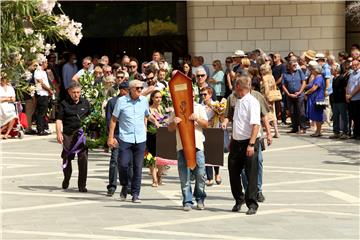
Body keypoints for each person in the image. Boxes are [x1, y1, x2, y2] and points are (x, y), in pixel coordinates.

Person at [107, 80, 159, 203]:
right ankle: (125, 185)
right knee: (123, 164)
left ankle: (135, 194)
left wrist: (155, 121)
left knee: (138, 167)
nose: (140, 90)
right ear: (130, 89)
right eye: (137, 88)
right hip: (125, 138)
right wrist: (110, 137)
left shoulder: (144, 101)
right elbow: (114, 120)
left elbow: (147, 115)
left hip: (140, 139)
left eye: (141, 88)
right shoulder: (121, 101)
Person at [221, 75, 261, 215]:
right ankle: (239, 198)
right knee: (233, 172)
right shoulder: (238, 100)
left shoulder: (252, 102)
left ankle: (252, 203)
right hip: (236, 142)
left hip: (248, 142)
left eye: (236, 87)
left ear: (241, 88)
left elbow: (256, 125)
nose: (235, 90)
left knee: (251, 174)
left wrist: (251, 144)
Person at [168, 91, 208, 211]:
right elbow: (170, 128)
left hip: (197, 146)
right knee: (184, 175)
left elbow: (206, 124)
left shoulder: (199, 107)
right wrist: (174, 123)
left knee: (200, 174)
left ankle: (200, 197)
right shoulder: (177, 108)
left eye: (192, 95)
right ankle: (187, 200)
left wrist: (198, 119)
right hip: (181, 146)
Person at [55, 81, 90, 192]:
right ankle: (66, 178)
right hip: (68, 134)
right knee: (67, 158)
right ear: (69, 92)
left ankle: (82, 185)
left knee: (83, 159)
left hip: (82, 135)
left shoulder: (85, 103)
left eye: (78, 92)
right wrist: (59, 133)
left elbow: (91, 118)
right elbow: (59, 120)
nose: (76, 95)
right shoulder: (64, 104)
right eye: (74, 92)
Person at [105, 82, 129, 196]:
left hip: (129, 136)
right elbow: (109, 120)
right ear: (122, 90)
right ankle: (112, 186)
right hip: (117, 135)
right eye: (128, 90)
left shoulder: (132, 101)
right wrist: (111, 137)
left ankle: (127, 185)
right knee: (114, 161)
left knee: (129, 162)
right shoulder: (112, 102)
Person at [200, 87, 222, 186]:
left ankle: (217, 173)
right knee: (206, 154)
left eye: (205, 94)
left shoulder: (216, 104)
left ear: (210, 94)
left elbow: (221, 114)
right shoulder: (200, 106)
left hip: (215, 131)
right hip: (204, 131)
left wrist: (211, 106)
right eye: (202, 94)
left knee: (215, 154)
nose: (203, 96)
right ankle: (209, 177)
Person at [146, 90, 168, 187]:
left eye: (160, 97)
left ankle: (159, 175)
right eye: (156, 97)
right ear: (152, 98)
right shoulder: (148, 109)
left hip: (162, 135)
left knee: (162, 158)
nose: (159, 99)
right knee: (152, 158)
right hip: (151, 135)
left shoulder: (162, 108)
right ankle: (154, 179)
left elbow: (166, 120)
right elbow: (146, 121)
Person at [282, 60, 307, 134]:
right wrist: (288, 94)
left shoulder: (299, 72)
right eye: (293, 65)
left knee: (301, 111)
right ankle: (295, 127)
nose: (295, 66)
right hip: (290, 95)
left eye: (296, 65)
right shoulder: (285, 74)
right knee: (292, 112)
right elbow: (283, 85)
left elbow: (304, 82)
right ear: (289, 66)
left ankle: (303, 127)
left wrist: (299, 92)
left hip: (299, 95)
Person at [304, 63, 325, 137]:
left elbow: (314, 88)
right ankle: (317, 131)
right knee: (315, 115)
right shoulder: (316, 77)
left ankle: (318, 131)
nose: (311, 71)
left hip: (318, 99)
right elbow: (309, 85)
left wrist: (306, 93)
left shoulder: (319, 77)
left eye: (312, 69)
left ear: (316, 70)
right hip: (313, 98)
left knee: (318, 115)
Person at [329, 64, 349, 139]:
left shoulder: (342, 78)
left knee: (344, 117)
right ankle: (336, 132)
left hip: (342, 100)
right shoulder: (334, 78)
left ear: (336, 70)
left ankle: (345, 132)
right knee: (335, 117)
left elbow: (345, 87)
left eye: (332, 69)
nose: (331, 70)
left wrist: (346, 97)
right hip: (335, 101)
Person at [260, 64, 280, 138]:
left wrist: (266, 99)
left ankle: (268, 132)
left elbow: (266, 89)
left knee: (266, 115)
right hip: (272, 97)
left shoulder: (264, 78)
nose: (260, 71)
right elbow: (274, 87)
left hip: (266, 98)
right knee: (273, 115)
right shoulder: (272, 77)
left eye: (261, 70)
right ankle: (276, 131)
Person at [34, 58, 53, 135]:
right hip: (41, 94)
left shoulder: (44, 72)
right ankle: (40, 129)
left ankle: (45, 127)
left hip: (45, 94)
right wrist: (49, 90)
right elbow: (41, 83)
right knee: (41, 112)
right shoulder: (37, 71)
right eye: (46, 62)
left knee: (45, 112)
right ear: (42, 63)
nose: (47, 64)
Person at [346, 58, 360, 140]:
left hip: (357, 98)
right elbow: (348, 85)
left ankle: (358, 134)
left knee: (358, 117)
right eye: (353, 65)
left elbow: (359, 87)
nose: (354, 66)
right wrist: (346, 95)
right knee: (353, 117)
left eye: (356, 65)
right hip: (351, 99)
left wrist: (351, 95)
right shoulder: (351, 74)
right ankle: (355, 134)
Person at [0, 74, 17, 139]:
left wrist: (4, 98)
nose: (3, 80)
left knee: (13, 116)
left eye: (4, 78)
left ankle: (7, 133)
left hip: (10, 106)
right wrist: (8, 98)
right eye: (2, 79)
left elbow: (14, 99)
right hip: (1, 106)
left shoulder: (10, 88)